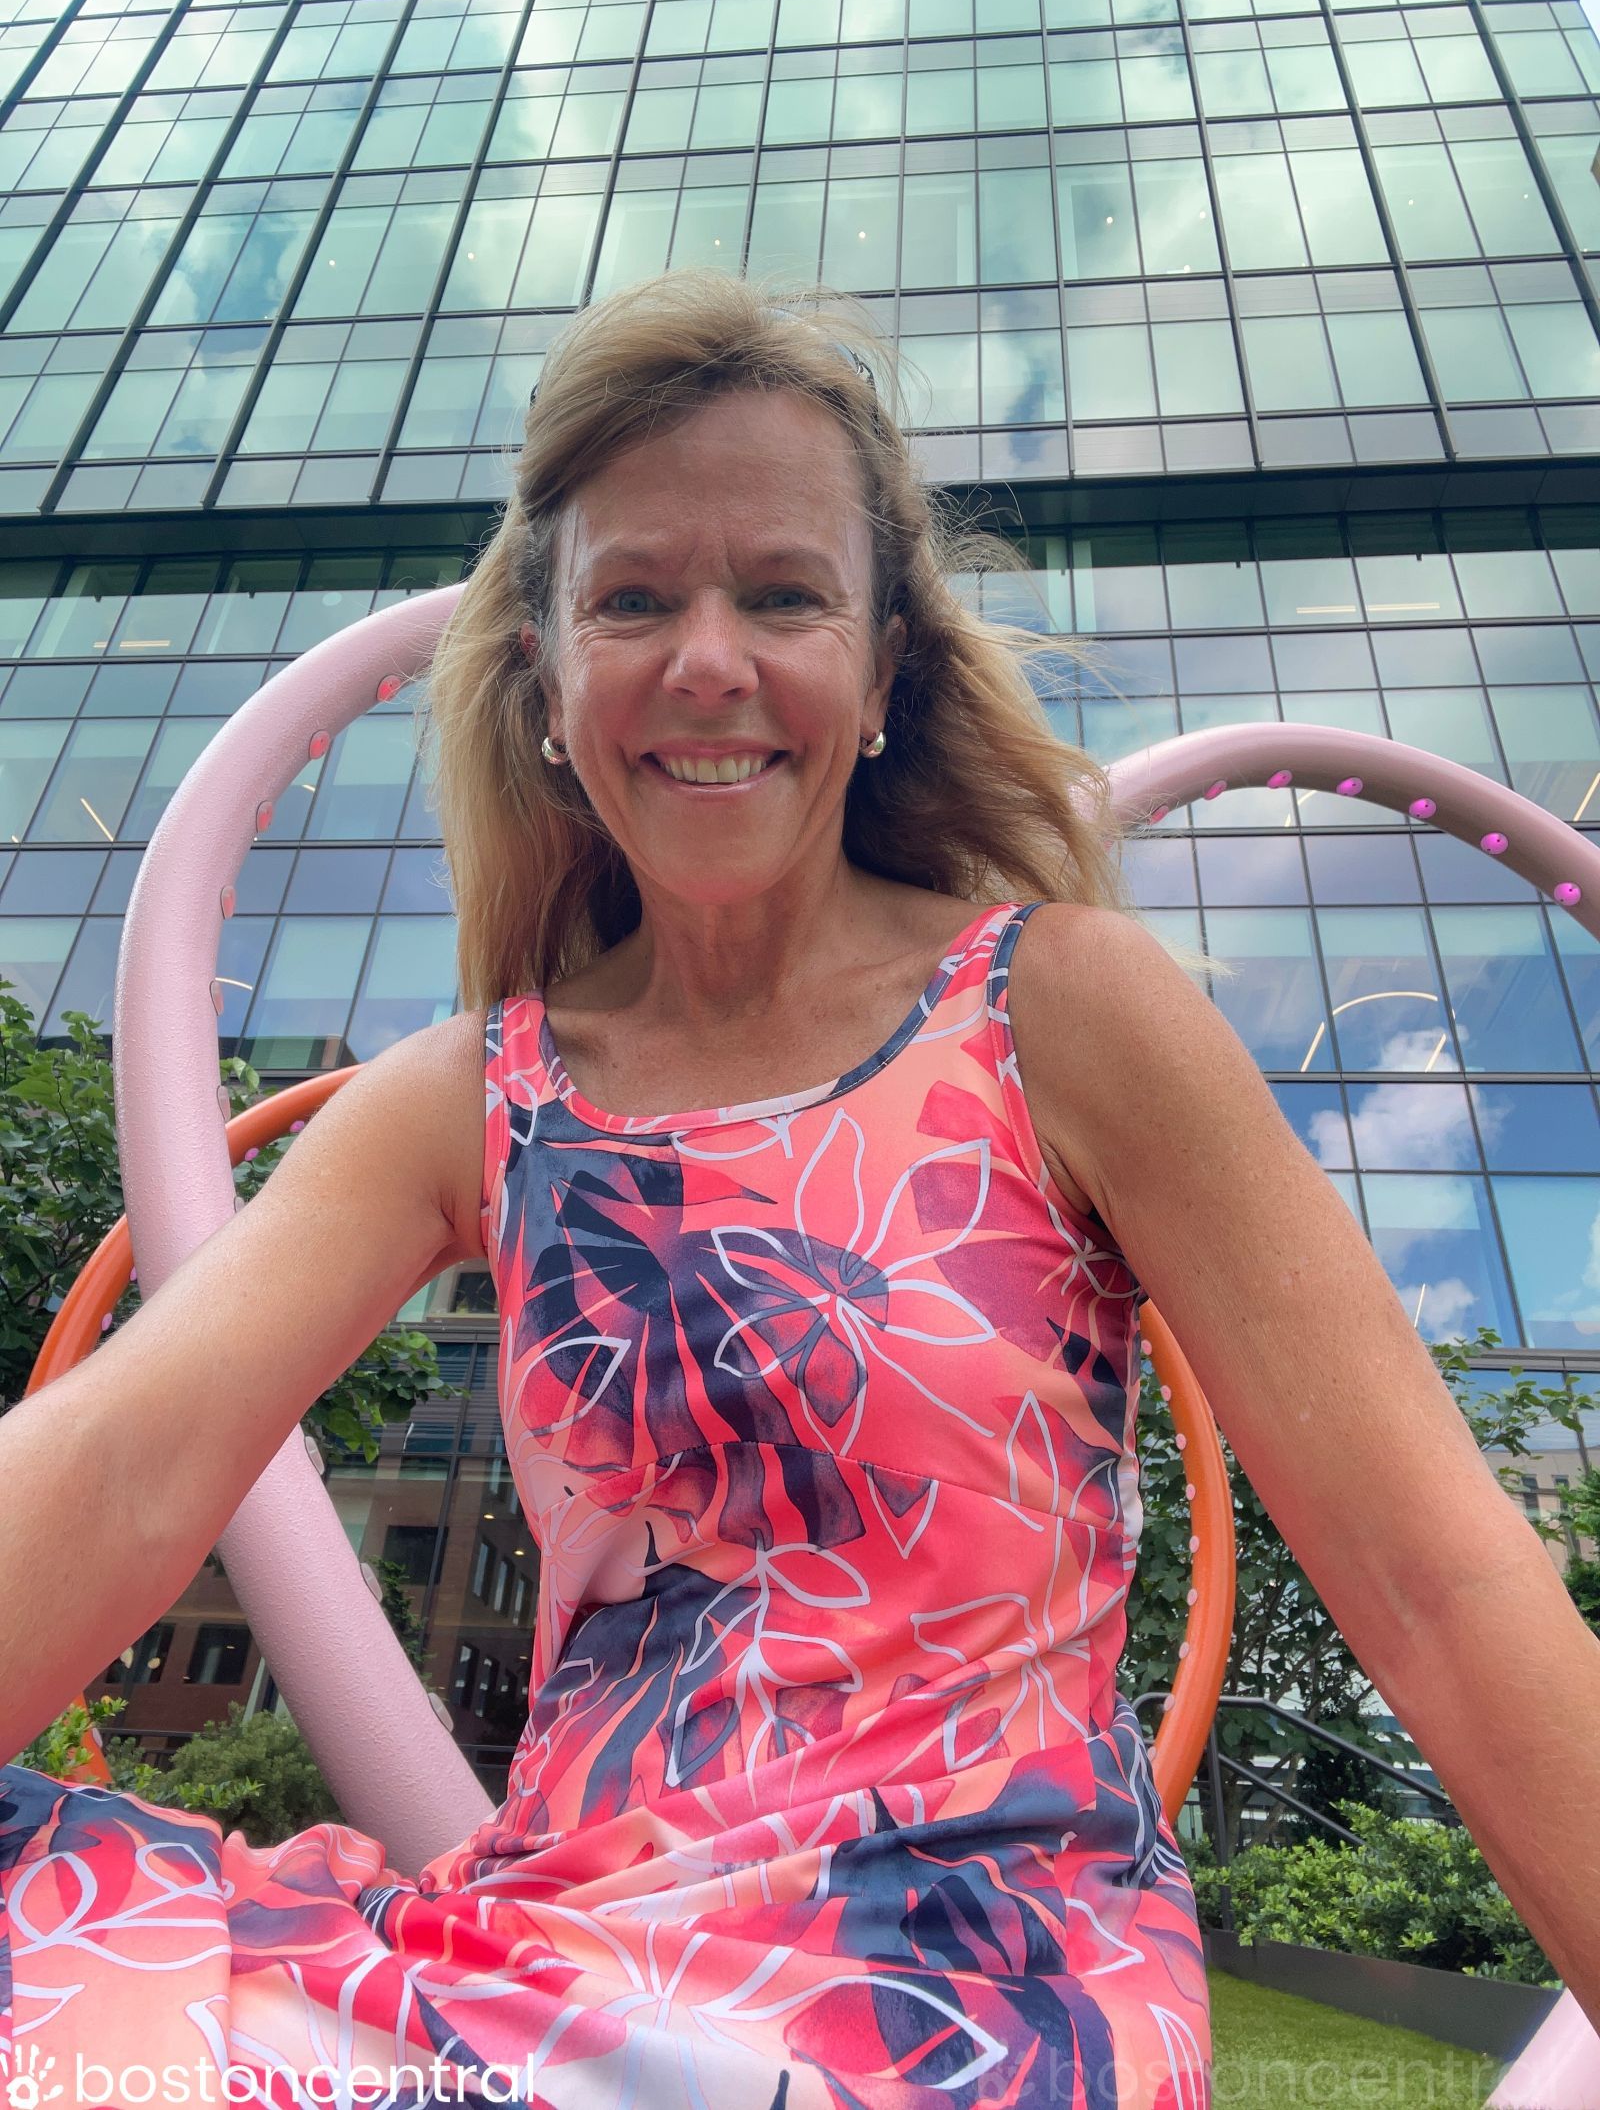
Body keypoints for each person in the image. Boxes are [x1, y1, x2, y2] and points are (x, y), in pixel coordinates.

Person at [2, 270, 1597, 2109]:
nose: (708, 660)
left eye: (781, 594)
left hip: (965, 1999)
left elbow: (1432, 1580)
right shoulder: (469, 1099)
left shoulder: (1062, 1010)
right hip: (546, 1968)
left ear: (883, 669)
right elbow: (125, 1466)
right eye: (633, 598)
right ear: (546, 672)